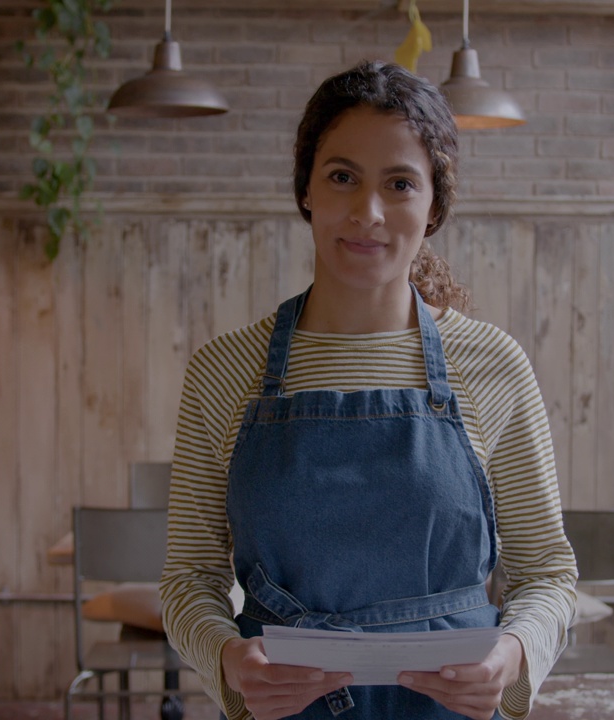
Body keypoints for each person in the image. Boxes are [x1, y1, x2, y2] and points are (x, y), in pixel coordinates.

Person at [159, 60, 577, 720]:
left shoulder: (492, 365)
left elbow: (547, 573)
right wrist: (227, 659)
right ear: (306, 192)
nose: (368, 212)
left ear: (435, 203)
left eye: (400, 183)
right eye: (343, 177)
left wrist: (512, 653)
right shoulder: (225, 371)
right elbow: (189, 579)